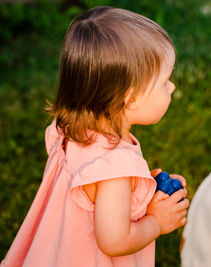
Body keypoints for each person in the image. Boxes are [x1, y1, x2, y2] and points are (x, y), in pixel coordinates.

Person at [1, 6, 189, 267]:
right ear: (130, 99)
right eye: (164, 81)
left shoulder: (70, 129)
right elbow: (114, 241)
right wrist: (156, 222)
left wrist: (139, 191)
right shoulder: (116, 170)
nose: (172, 86)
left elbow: (93, 194)